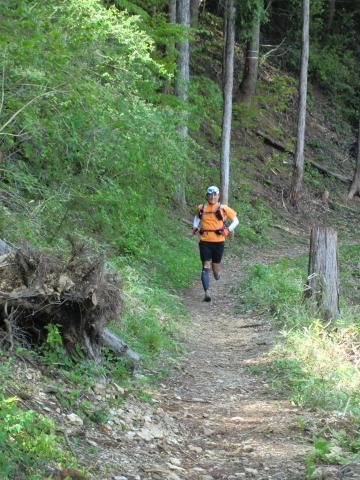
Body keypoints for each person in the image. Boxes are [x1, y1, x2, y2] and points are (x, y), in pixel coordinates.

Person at [192, 185, 239, 302]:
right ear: (207, 196)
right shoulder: (201, 207)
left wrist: (228, 230)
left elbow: (236, 221)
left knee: (215, 268)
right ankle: (206, 292)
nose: (212, 197)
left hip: (218, 242)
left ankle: (217, 274)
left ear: (218, 196)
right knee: (205, 266)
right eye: (210, 195)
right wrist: (195, 227)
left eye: (215, 195)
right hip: (204, 242)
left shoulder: (223, 208)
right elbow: (196, 217)